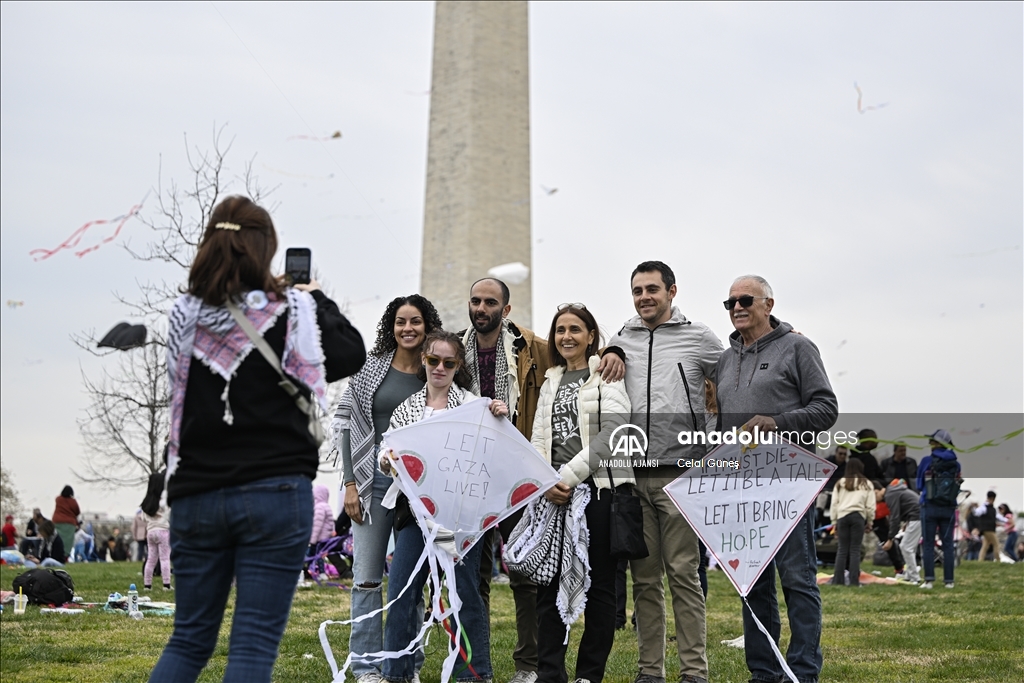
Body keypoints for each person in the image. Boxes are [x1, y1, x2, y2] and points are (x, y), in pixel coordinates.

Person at [149, 195, 365, 683]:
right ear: (265, 248)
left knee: (188, 640)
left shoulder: (185, 315)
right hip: (275, 489)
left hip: (197, 493)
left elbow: (182, 397)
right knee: (252, 646)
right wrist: (315, 295)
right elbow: (350, 352)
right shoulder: (294, 308)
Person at [716, 275, 838, 683]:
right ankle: (764, 671)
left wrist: (777, 422)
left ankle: (802, 671)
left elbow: (826, 408)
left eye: (745, 299)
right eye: (730, 302)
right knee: (752, 583)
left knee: (798, 580)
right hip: (741, 488)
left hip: (788, 485)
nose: (737, 307)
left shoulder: (798, 348)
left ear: (768, 304)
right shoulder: (725, 360)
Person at [608, 261, 722, 683]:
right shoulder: (621, 339)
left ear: (672, 291)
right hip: (633, 476)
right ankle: (649, 672)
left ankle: (694, 672)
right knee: (644, 581)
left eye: (652, 289)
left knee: (684, 576)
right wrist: (610, 351)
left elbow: (736, 373)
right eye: (637, 290)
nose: (644, 297)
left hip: (681, 474)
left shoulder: (699, 337)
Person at [380, 330, 506, 683]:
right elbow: (387, 451)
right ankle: (396, 673)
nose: (439, 368)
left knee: (464, 590)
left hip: (460, 515)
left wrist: (498, 416)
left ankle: (473, 674)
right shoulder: (406, 408)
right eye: (434, 360)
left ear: (458, 365)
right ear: (423, 359)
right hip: (414, 513)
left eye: (448, 363)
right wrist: (387, 460)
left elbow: (493, 448)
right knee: (402, 590)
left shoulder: (473, 405)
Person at [333, 294, 442, 683]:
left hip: (418, 493)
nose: (408, 328)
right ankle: (365, 667)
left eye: (415, 321)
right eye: (400, 322)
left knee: (410, 582)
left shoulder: (435, 370)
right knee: (366, 579)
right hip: (371, 487)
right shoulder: (369, 368)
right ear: (391, 327)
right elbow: (346, 425)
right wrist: (350, 484)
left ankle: (406, 663)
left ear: (427, 326)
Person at [527, 304, 634, 683]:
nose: (566, 336)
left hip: (598, 491)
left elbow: (614, 432)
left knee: (601, 586)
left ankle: (589, 674)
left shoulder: (606, 375)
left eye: (575, 329)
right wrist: (546, 482)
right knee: (549, 586)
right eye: (560, 330)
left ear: (591, 336)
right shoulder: (551, 380)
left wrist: (569, 477)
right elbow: (539, 437)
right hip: (554, 493)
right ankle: (550, 673)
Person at [459, 277, 548, 683]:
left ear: (506, 310)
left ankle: (528, 665)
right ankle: (475, 667)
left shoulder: (532, 349)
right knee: (471, 575)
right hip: (469, 475)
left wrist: (612, 352)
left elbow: (580, 354)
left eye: (490, 302)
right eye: (476, 301)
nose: (481, 308)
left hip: (516, 473)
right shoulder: (454, 350)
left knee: (524, 572)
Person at [916, 429, 961, 589]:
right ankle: (949, 581)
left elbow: (919, 484)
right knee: (948, 544)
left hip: (929, 505)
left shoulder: (926, 461)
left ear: (935, 443)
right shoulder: (956, 463)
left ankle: (929, 580)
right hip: (949, 507)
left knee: (928, 544)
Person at [828, 459, 874, 586]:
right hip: (858, 516)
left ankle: (838, 580)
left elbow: (834, 503)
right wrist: (870, 521)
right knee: (855, 549)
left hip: (842, 516)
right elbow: (870, 506)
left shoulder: (840, 483)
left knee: (842, 549)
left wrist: (834, 521)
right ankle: (854, 581)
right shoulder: (866, 483)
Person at [883, 478, 922, 583]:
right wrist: (907, 522)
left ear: (877, 491)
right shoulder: (897, 491)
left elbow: (894, 517)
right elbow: (910, 505)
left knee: (905, 547)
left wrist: (890, 539)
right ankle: (909, 575)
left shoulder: (890, 494)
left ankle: (914, 577)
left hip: (917, 517)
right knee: (909, 548)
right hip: (918, 516)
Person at [141, 471, 172, 591]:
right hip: (163, 532)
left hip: (150, 532)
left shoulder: (146, 502)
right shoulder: (164, 502)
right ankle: (166, 584)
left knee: (151, 559)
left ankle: (147, 585)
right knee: (164, 558)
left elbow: (143, 518)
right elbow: (170, 515)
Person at [52, 485, 80, 553]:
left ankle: (56, 553)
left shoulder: (58, 499)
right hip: (69, 524)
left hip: (57, 522)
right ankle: (65, 555)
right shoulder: (73, 501)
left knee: (57, 538)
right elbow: (77, 511)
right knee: (67, 542)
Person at [973, 491, 999, 562]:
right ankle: (998, 560)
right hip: (989, 529)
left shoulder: (992, 508)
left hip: (987, 529)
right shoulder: (984, 507)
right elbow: (977, 512)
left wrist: (1005, 520)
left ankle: (980, 560)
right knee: (996, 544)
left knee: (985, 545)